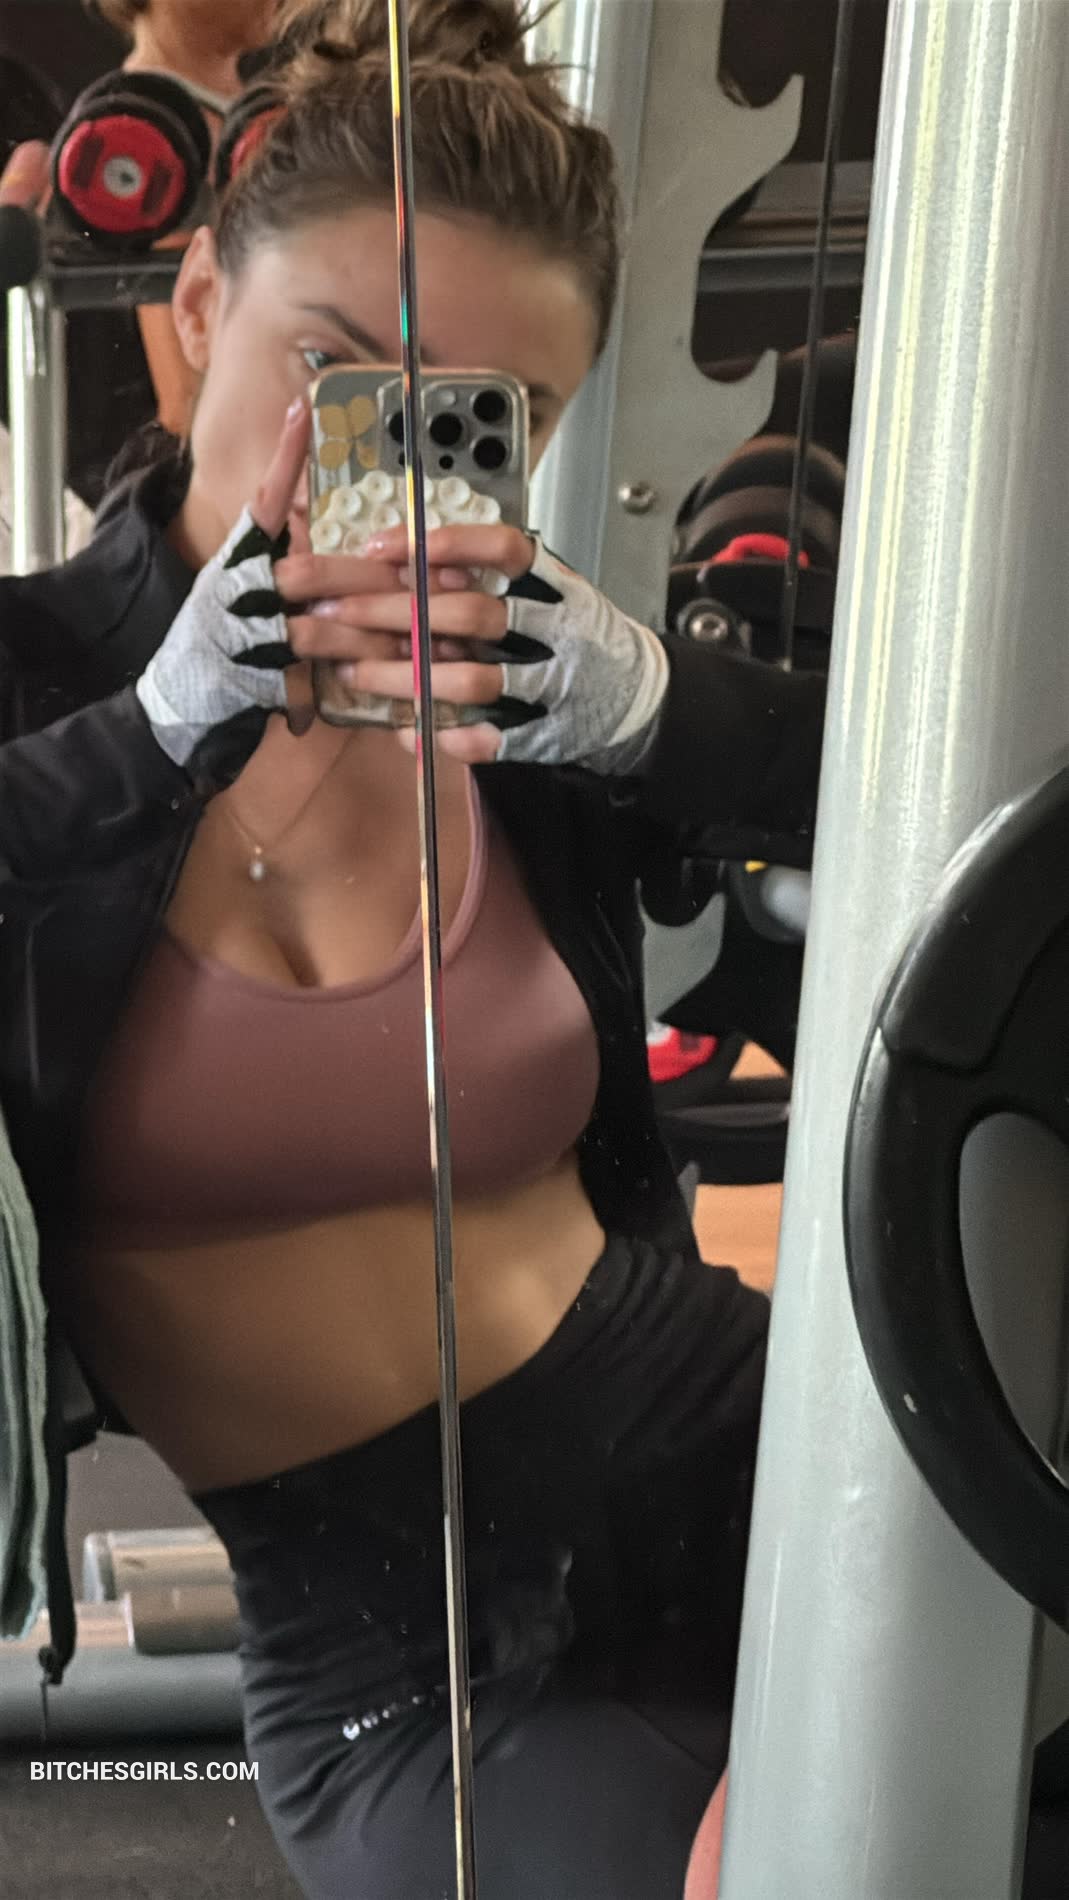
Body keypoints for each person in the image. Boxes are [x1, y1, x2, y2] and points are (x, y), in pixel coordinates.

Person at [0, 2, 826, 1895]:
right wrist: (153, 733)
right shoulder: (37, 677)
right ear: (196, 305)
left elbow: (930, 814)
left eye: (481, 415)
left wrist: (660, 712)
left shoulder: (529, 702)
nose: (380, 458)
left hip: (756, 1452)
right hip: (407, 1669)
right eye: (333, 367)